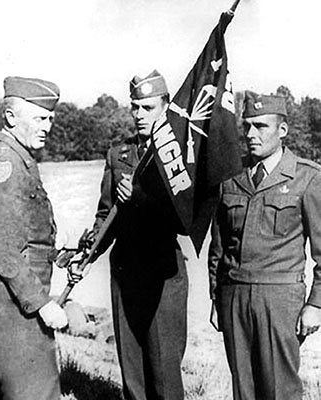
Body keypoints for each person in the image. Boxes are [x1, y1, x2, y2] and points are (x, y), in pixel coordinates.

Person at [208, 90, 321, 400]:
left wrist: (315, 305)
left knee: (279, 390)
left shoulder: (305, 177)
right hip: (235, 295)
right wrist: (216, 299)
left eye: (261, 127)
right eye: (247, 126)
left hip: (280, 298)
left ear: (282, 130)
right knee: (244, 390)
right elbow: (218, 247)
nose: (250, 135)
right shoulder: (231, 176)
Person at [89, 70, 188, 400]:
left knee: (163, 371)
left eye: (147, 108)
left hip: (162, 273)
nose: (139, 115)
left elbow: (184, 219)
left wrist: (140, 195)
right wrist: (87, 253)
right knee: (132, 371)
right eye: (135, 107)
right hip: (124, 272)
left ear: (165, 106)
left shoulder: (178, 156)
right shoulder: (119, 155)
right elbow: (106, 216)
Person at [0, 76, 68, 400]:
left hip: (17, 304)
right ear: (11, 117)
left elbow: (24, 235)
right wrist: (42, 304)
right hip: (16, 308)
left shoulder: (18, 157)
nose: (47, 126)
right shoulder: (5, 164)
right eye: (40, 118)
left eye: (51, 119)